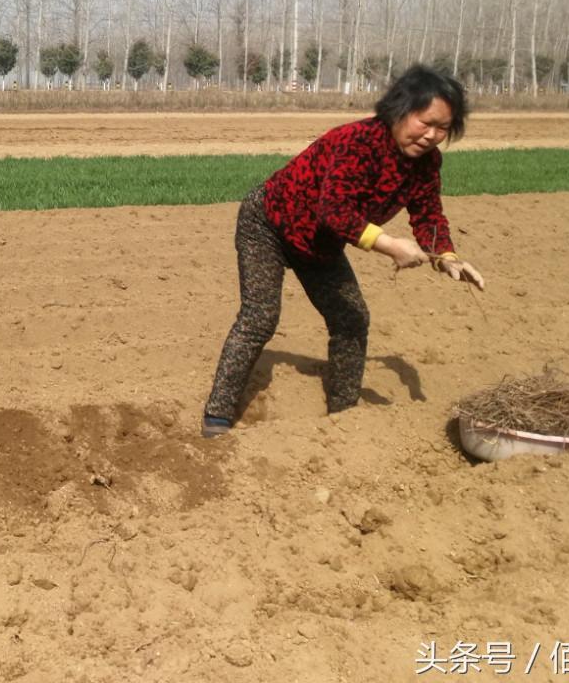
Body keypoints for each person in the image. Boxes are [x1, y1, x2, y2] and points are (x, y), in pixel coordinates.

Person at [200, 65, 486, 438]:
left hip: (319, 245)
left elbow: (428, 215)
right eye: (425, 121)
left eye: (443, 128)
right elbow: (334, 211)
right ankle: (217, 416)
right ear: (400, 109)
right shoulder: (358, 142)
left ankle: (344, 415)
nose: (431, 135)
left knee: (352, 320)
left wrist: (446, 257)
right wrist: (389, 245)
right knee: (260, 317)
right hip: (267, 225)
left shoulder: (427, 164)